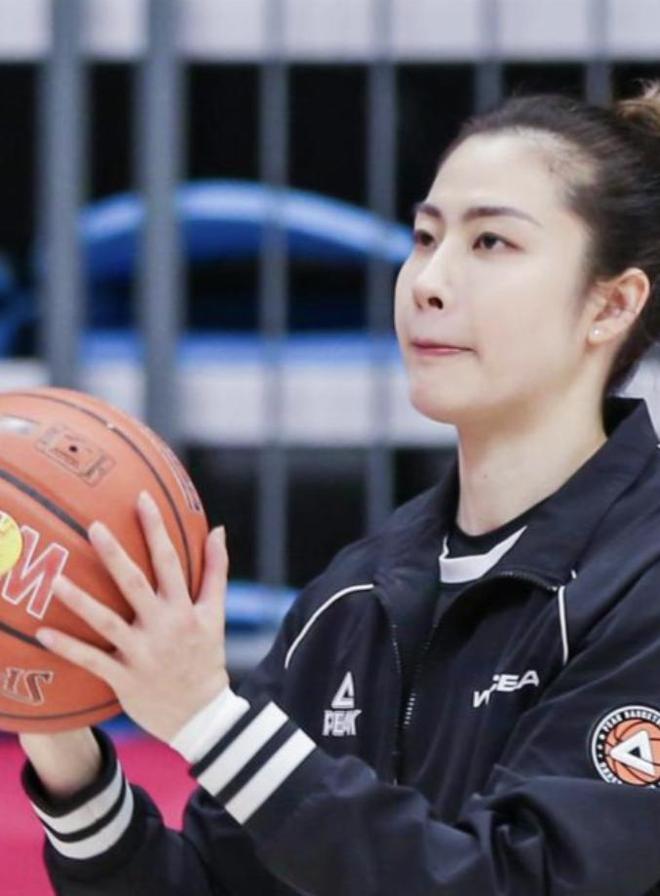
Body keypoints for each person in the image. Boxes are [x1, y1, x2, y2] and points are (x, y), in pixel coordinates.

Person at [18, 80, 660, 896]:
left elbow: (510, 882)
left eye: (491, 242)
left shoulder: (641, 585)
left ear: (611, 304)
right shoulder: (356, 592)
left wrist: (210, 720)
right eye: (424, 238)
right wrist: (59, 737)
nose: (428, 281)